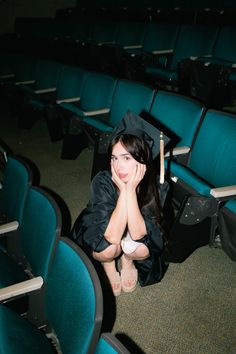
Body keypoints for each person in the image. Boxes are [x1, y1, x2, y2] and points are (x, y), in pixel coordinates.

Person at [70, 110, 170, 296]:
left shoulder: (156, 186)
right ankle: (108, 266)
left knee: (140, 248)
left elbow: (141, 235)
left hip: (135, 233)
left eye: (126, 158)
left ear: (143, 160)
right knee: (108, 250)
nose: (118, 166)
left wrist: (131, 190)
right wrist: (124, 190)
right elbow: (111, 238)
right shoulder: (103, 180)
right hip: (104, 230)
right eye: (114, 158)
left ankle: (127, 261)